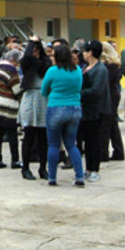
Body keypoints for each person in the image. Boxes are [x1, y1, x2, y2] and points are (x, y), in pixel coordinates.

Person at [41, 44, 85, 187]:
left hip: (56, 108)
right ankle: (79, 176)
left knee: (53, 145)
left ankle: (52, 177)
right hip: (74, 108)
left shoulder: (52, 71)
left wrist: (52, 95)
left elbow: (43, 90)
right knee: (71, 145)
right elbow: (79, 88)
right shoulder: (77, 70)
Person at [19, 37, 50, 180]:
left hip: (43, 98)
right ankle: (25, 168)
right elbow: (26, 59)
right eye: (33, 49)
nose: (35, 52)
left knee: (43, 137)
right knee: (29, 136)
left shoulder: (45, 63)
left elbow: (42, 66)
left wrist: (37, 54)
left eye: (38, 49)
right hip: (30, 97)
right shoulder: (27, 63)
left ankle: (43, 168)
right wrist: (31, 44)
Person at [0, 48, 23, 170]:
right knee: (12, 134)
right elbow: (16, 90)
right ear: (14, 60)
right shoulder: (11, 70)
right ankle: (15, 160)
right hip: (7, 106)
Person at [79, 40, 110, 183]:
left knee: (94, 141)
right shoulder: (85, 67)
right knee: (87, 141)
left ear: (90, 52)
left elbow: (97, 91)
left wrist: (79, 93)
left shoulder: (100, 70)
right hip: (84, 109)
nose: (83, 54)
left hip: (96, 110)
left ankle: (95, 169)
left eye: (85, 51)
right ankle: (87, 168)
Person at [99, 42, 124, 161]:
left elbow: (106, 81)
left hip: (111, 96)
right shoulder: (111, 65)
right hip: (111, 95)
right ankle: (118, 151)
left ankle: (104, 152)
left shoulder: (112, 66)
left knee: (106, 124)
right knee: (112, 123)